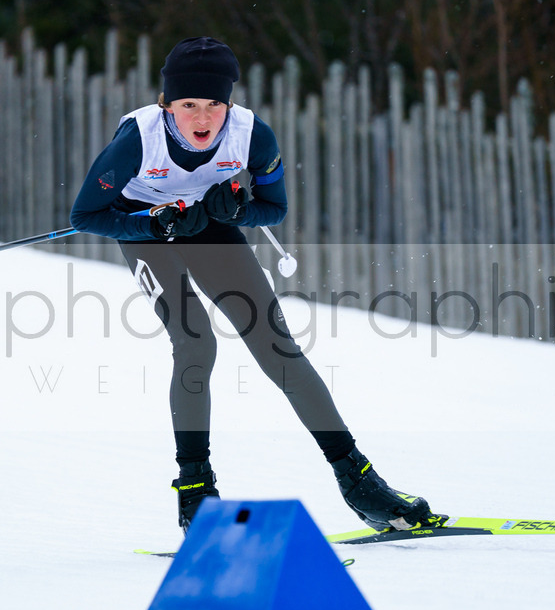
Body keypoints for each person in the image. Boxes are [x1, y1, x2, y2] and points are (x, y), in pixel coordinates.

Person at [70, 36, 439, 534]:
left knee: (278, 347)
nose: (202, 118)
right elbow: (86, 215)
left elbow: (274, 208)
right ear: (167, 104)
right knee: (195, 343)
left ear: (230, 103)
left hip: (208, 226)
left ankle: (358, 479)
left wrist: (238, 209)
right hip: (146, 230)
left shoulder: (251, 136)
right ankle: (195, 490)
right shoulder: (138, 140)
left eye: (214, 104)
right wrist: (154, 222)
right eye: (188, 105)